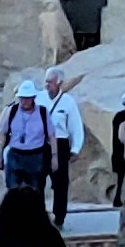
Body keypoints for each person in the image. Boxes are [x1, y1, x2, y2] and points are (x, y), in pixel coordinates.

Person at [0, 84, 54, 202]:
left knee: (35, 191)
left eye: (27, 98)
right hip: (15, 155)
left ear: (33, 98)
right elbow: (3, 135)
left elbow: (51, 136)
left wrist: (54, 157)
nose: (24, 101)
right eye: (21, 98)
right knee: (12, 191)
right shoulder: (11, 111)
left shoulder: (42, 112)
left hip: (35, 156)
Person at [43, 71, 86, 228]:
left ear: (59, 82)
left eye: (50, 82)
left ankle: (59, 217)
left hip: (60, 143)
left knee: (60, 183)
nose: (47, 85)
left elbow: (75, 126)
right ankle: (39, 217)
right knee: (38, 182)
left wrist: (75, 148)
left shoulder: (68, 102)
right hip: (41, 143)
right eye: (46, 81)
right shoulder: (39, 98)